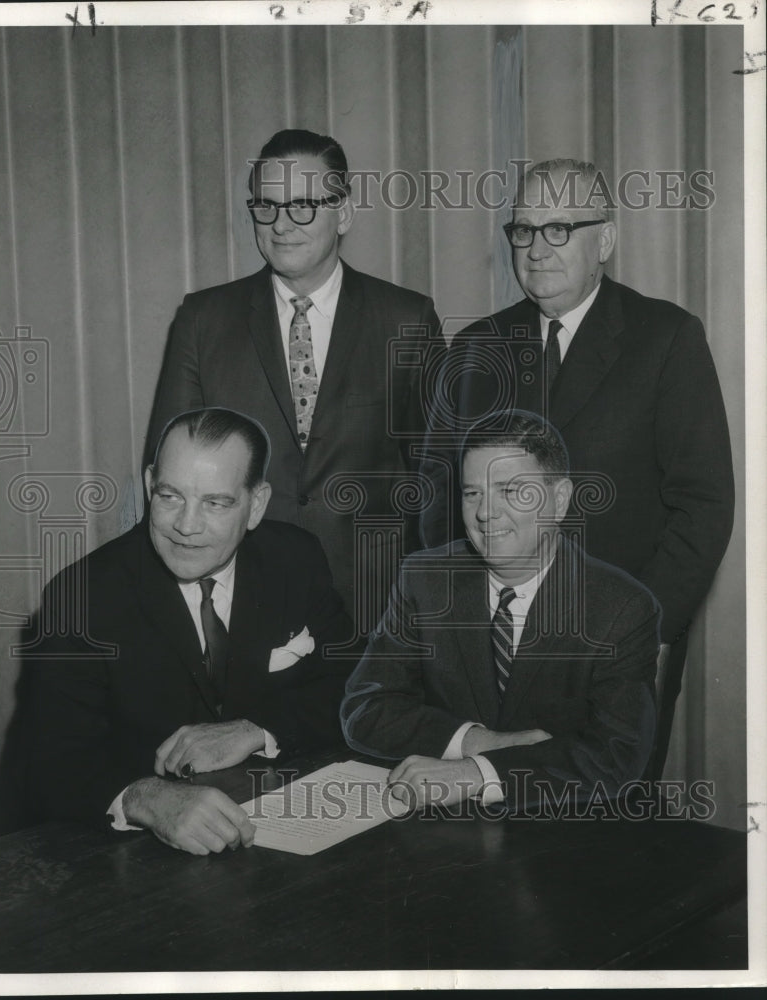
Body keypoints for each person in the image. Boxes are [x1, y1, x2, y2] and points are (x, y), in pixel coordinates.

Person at [420, 158, 733, 778]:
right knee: (482, 822)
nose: (537, 249)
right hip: (494, 647)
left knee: (599, 838)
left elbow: (703, 505)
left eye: (560, 229)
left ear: (605, 241)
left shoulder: (666, 337)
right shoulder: (477, 346)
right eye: (523, 230)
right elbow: (435, 495)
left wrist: (643, 631)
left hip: (613, 648)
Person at [147, 128, 443, 629]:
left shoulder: (407, 319)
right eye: (267, 206)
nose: (282, 224)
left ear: (343, 212)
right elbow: (168, 469)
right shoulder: (203, 319)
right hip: (242, 599)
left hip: (376, 605)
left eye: (303, 206)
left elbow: (436, 476)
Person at [25, 407, 353, 855]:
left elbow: (355, 686)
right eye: (170, 496)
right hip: (137, 860)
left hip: (285, 834)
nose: (186, 526)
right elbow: (48, 763)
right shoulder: (82, 596)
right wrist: (146, 797)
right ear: (147, 487)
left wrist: (259, 729)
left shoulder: (294, 559)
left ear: (255, 505)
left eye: (215, 502)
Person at [343, 411, 659, 812]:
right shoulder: (425, 578)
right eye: (473, 493)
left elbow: (617, 757)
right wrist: (477, 742)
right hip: (440, 830)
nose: (485, 513)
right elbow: (366, 709)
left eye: (511, 491)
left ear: (559, 500)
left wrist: (478, 773)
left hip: (564, 833)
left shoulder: (620, 608)